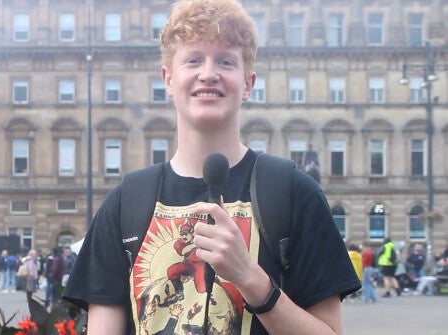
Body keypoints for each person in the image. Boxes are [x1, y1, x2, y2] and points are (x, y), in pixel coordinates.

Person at [63, 0, 361, 334]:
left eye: (225, 61)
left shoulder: (295, 193)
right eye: (193, 60)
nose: (208, 73)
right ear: (169, 79)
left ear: (248, 84)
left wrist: (252, 280)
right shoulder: (125, 203)